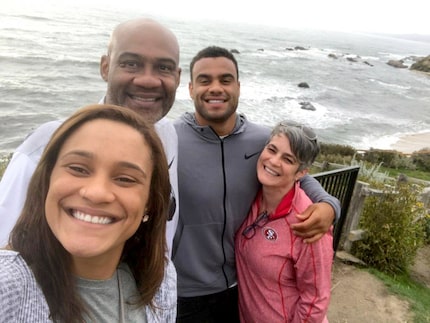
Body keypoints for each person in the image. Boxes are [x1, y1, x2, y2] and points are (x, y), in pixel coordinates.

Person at [172, 46, 340, 322]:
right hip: (186, 294)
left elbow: (298, 174)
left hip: (242, 287)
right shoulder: (170, 140)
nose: (216, 88)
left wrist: (329, 205)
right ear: (190, 88)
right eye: (205, 80)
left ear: (238, 86)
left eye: (225, 80)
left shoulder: (262, 140)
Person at [0, 18, 182, 255]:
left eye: (164, 68)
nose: (147, 80)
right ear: (105, 68)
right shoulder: (47, 146)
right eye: (131, 64)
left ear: (177, 77)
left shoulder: (169, 135)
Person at [0, 104, 176, 322]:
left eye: (125, 179)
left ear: (150, 202)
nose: (96, 193)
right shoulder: (7, 284)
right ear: (47, 180)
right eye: (78, 168)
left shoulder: (162, 279)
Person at [235, 120, 333, 322]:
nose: (273, 161)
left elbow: (315, 300)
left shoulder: (307, 222)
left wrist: (331, 206)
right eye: (271, 149)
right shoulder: (251, 197)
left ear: (301, 173)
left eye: (288, 159)